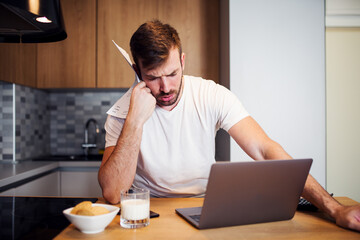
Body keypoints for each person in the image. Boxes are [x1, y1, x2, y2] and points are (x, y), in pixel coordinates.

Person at [98, 20, 360, 232]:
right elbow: (112, 193)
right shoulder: (123, 113)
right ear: (136, 71)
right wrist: (134, 121)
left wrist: (335, 209)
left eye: (172, 74)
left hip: (204, 209)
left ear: (183, 62)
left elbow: (264, 149)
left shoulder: (211, 94)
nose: (165, 88)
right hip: (149, 214)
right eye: (153, 78)